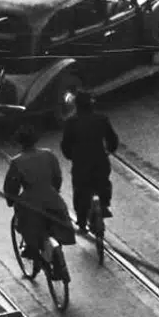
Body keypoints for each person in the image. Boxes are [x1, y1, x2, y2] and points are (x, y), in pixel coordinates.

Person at [2, 126, 75, 279]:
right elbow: (57, 177)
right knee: (56, 226)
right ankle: (56, 255)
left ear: (19, 143)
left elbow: (11, 187)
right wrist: (53, 191)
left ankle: (34, 253)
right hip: (53, 200)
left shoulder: (17, 162)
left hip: (31, 204)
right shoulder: (48, 155)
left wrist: (11, 200)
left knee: (25, 226)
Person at [60, 90, 119, 231]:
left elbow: (65, 145)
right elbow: (113, 139)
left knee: (80, 191)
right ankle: (104, 205)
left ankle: (81, 220)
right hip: (100, 161)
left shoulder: (71, 122)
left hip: (81, 164)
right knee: (104, 182)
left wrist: (71, 156)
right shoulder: (102, 119)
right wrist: (109, 150)